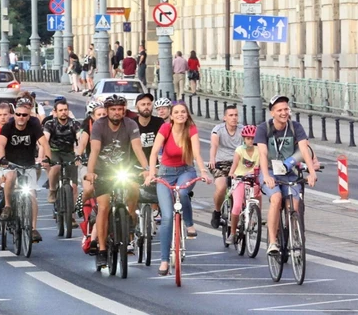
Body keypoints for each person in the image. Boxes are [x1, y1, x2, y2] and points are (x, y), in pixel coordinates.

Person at [145, 102, 211, 275]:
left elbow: (196, 153)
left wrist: (203, 172)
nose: (180, 114)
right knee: (166, 217)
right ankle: (165, 261)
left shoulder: (191, 129)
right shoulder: (166, 128)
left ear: (187, 114)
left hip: (185, 171)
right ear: (172, 116)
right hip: (165, 173)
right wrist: (152, 173)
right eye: (177, 112)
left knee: (183, 192)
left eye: (183, 112)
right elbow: (154, 152)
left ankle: (189, 224)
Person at [85, 95, 149, 268]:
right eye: (113, 109)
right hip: (102, 171)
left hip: (124, 168)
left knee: (134, 189)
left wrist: (147, 169)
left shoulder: (131, 124)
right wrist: (90, 172)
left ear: (124, 110)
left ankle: (130, 221)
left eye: (120, 109)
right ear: (106, 111)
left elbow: (137, 148)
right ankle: (102, 250)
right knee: (104, 206)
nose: (116, 112)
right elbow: (95, 150)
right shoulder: (99, 125)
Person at [254, 95, 317, 255]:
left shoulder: (295, 127)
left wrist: (312, 171)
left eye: (286, 109)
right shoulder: (264, 128)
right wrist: (266, 176)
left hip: (289, 173)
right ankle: (273, 242)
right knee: (276, 199)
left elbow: (304, 149)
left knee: (294, 205)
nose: (284, 113)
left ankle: (292, 237)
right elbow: (262, 153)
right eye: (279, 110)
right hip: (270, 173)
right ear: (272, 113)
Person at [0, 97, 52, 242]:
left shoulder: (34, 126)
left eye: (25, 115)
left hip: (28, 163)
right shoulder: (8, 127)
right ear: (14, 115)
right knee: (10, 177)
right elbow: (1, 145)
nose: (21, 117)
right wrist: (2, 159)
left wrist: (48, 159)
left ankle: (33, 229)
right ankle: (8, 206)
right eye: (18, 114)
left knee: (32, 194)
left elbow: (44, 144)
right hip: (11, 163)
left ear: (29, 116)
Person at [208, 105, 243, 229]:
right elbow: (214, 145)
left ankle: (246, 215)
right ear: (224, 117)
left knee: (246, 187)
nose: (234, 118)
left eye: (236, 115)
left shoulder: (242, 130)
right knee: (222, 187)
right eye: (231, 115)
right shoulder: (218, 129)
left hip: (238, 163)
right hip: (220, 163)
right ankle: (217, 211)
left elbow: (251, 144)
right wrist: (212, 158)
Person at [225, 125, 261, 245]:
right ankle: (233, 233)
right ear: (244, 139)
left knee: (258, 193)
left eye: (252, 138)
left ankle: (255, 216)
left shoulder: (259, 150)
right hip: (240, 179)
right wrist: (231, 174)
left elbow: (259, 166)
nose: (250, 140)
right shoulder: (240, 150)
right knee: (236, 205)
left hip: (252, 179)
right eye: (248, 138)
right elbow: (235, 164)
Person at [44, 100, 80, 204]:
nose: (63, 112)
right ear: (55, 112)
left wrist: (79, 155)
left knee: (74, 186)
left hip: (69, 153)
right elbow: (45, 140)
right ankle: (52, 190)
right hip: (54, 152)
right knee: (56, 167)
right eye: (60, 110)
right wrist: (45, 157)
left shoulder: (74, 123)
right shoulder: (50, 123)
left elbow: (80, 139)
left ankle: (71, 216)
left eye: (65, 110)